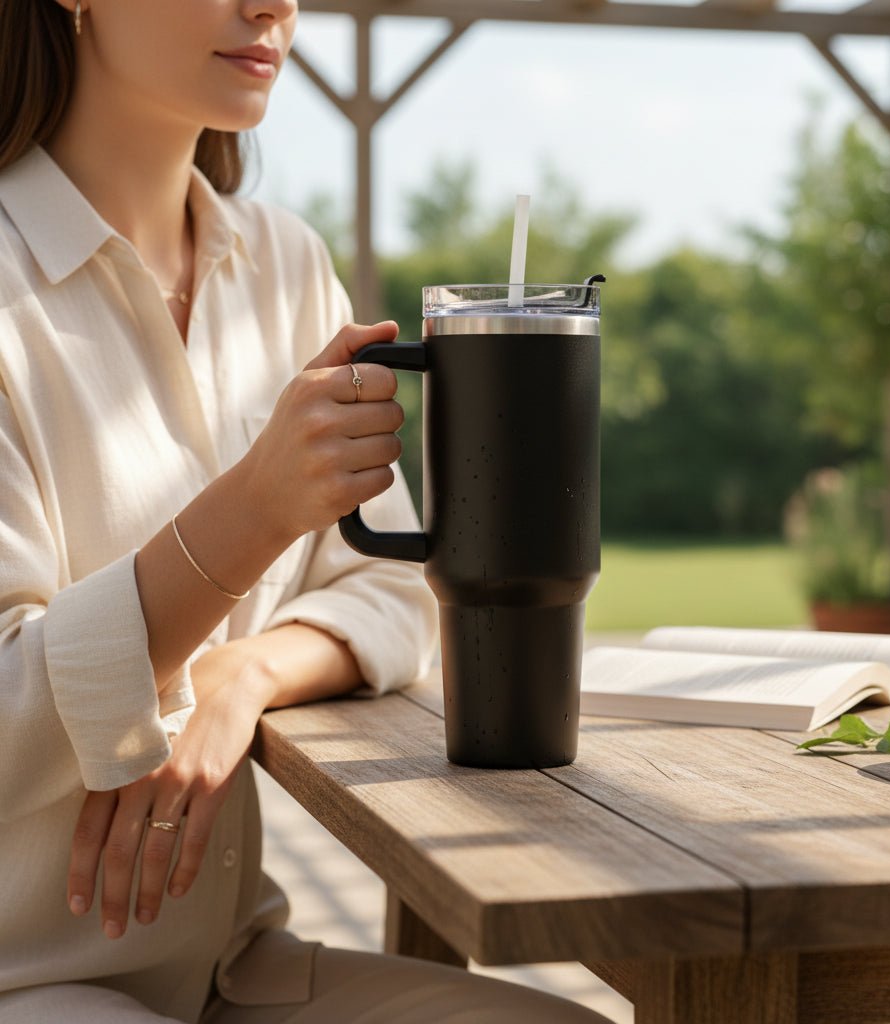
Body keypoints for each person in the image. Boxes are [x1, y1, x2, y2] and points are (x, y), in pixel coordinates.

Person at [0, 2, 614, 1021]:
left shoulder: (283, 265)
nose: (274, 5)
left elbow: (392, 584)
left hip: (236, 966)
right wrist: (248, 513)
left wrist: (243, 671)